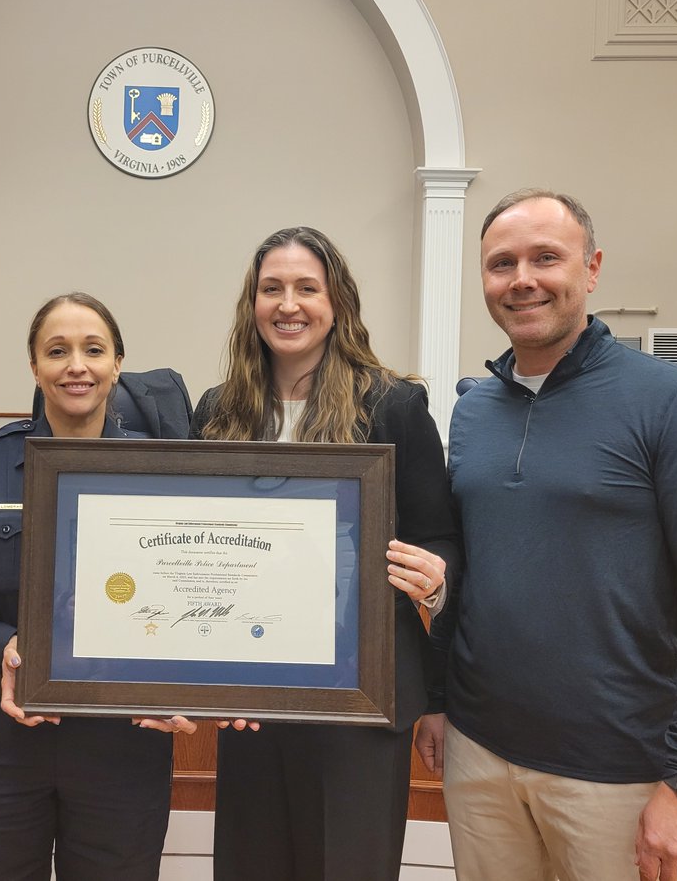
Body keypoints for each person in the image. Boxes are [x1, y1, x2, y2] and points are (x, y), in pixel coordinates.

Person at [419, 189, 677, 881]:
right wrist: (436, 700)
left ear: (593, 267)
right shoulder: (472, 411)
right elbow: (469, 570)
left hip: (622, 776)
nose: (523, 279)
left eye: (546, 257)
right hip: (479, 756)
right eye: (501, 263)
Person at [0, 292, 195, 881]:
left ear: (117, 363)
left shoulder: (165, 470)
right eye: (57, 351)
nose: (75, 365)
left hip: (121, 741)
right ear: (35, 367)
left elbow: (194, 591)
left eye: (93, 350)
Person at [191, 226, 460, 881]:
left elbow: (440, 534)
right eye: (272, 288)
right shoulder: (218, 410)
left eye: (307, 288)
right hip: (254, 695)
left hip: (363, 696)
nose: (289, 304)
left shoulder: (393, 405)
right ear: (251, 305)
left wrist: (437, 582)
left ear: (336, 301)